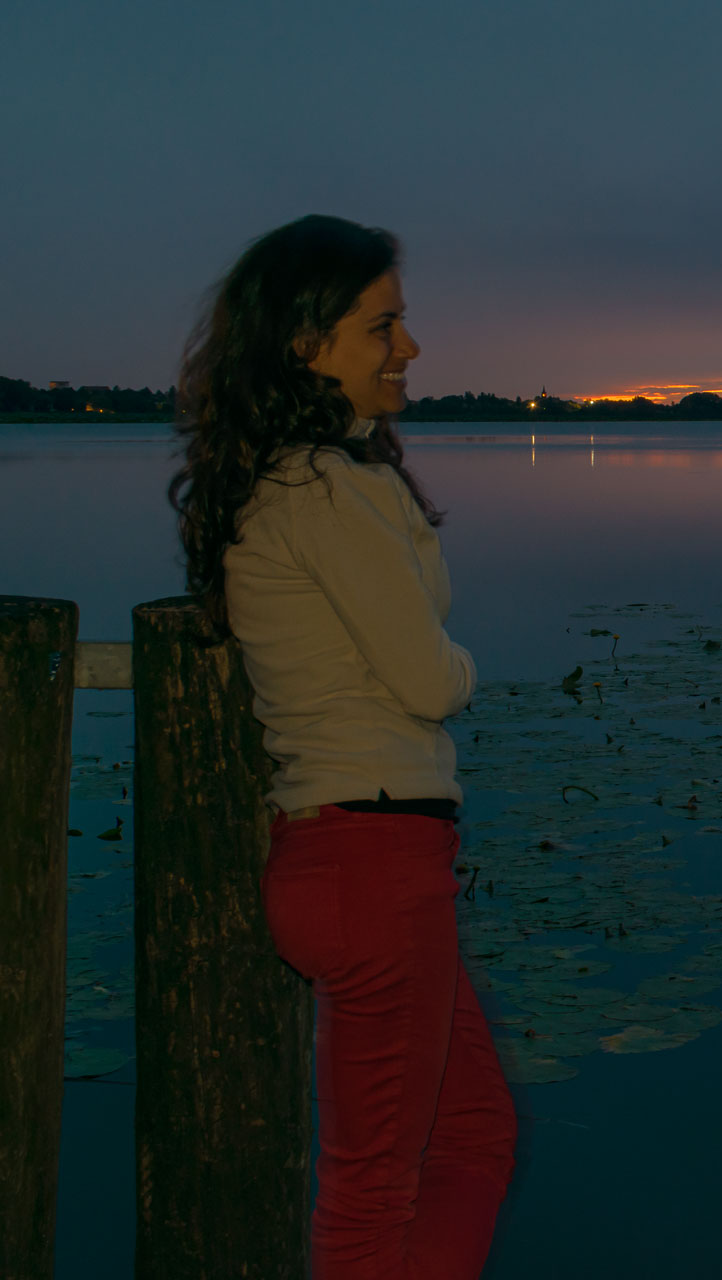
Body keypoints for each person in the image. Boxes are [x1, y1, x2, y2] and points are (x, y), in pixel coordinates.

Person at [170, 214, 516, 1278]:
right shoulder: (321, 488)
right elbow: (425, 676)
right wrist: (465, 667)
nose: (407, 349)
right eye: (384, 326)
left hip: (359, 853)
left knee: (473, 1135)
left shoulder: (307, 480)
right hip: (371, 857)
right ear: (306, 343)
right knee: (374, 1184)